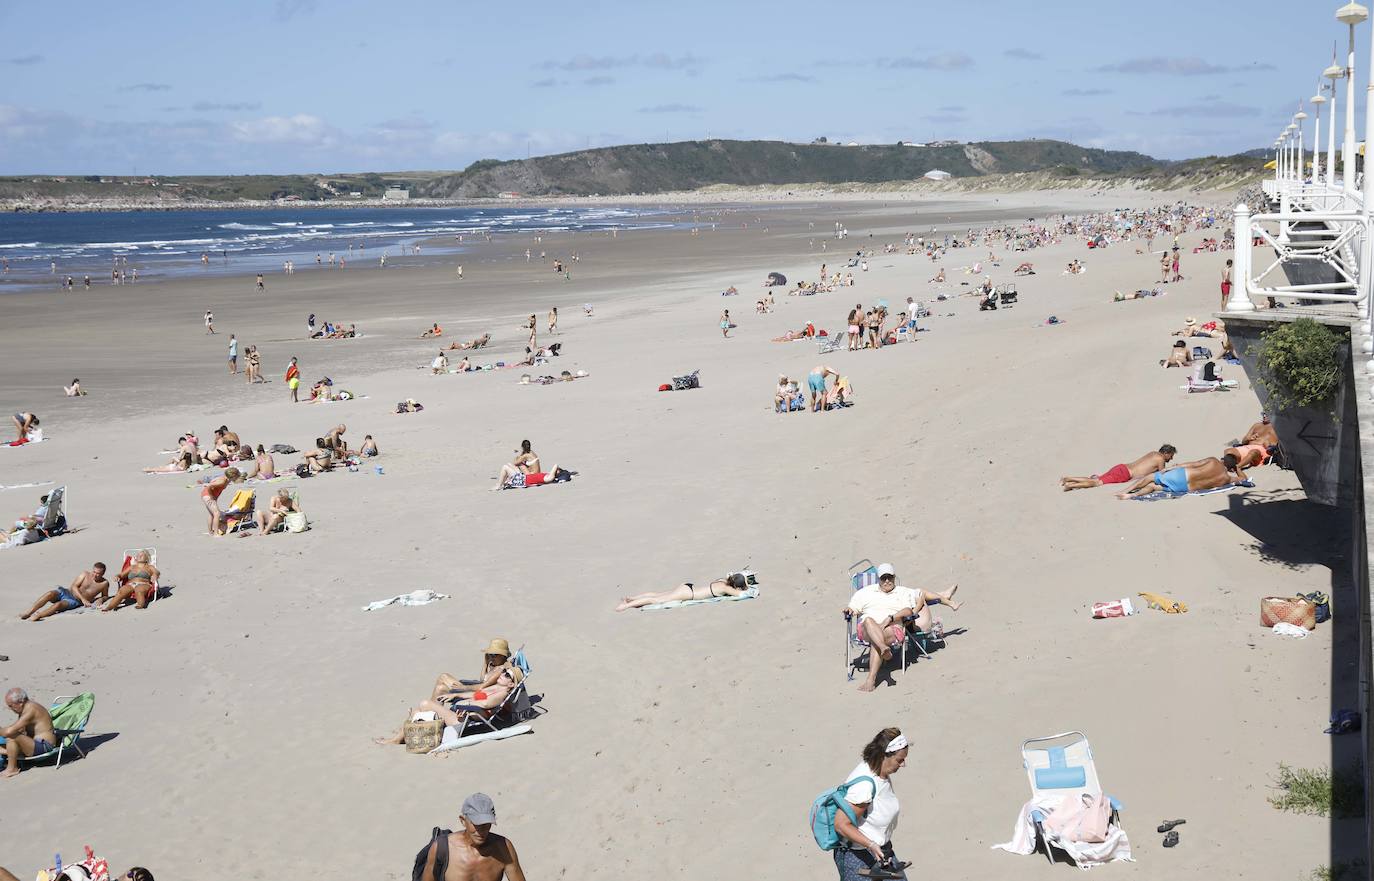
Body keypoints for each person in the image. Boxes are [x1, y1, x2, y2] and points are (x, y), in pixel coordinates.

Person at [844, 563, 959, 692]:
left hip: (891, 629)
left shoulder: (904, 592)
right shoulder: (865, 592)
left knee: (876, 639)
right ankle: (883, 648)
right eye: (883, 578)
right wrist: (848, 610)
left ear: (894, 577)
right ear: (878, 579)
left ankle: (870, 680)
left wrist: (891, 618)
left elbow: (909, 611)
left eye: (890, 577)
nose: (887, 580)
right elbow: (852, 608)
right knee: (869, 621)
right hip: (867, 628)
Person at [832, 728, 910, 881]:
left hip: (882, 854)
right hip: (858, 859)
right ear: (884, 756)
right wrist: (871, 845)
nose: (903, 764)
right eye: (899, 760)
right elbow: (841, 824)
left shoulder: (881, 772)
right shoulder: (864, 786)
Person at [409, 794, 527, 881]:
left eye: (486, 825)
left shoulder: (503, 848)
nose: (481, 831)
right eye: (476, 824)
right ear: (463, 821)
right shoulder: (443, 848)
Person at [1117, 454, 1246, 499]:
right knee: (1154, 487)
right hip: (1185, 487)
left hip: (1183, 475)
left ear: (1222, 460)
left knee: (1150, 477)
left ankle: (1125, 491)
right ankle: (1132, 495)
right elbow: (1243, 479)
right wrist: (1238, 468)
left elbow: (1194, 464)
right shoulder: (1227, 479)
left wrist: (1173, 467)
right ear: (1230, 468)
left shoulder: (1213, 460)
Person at [1061, 444, 1177, 491]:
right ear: (1166, 453)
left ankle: (1068, 479)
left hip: (1121, 467)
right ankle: (1070, 485)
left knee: (1096, 479)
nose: (1171, 459)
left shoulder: (1153, 453)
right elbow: (1162, 474)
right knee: (1096, 483)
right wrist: (1172, 469)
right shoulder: (1160, 459)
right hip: (1124, 474)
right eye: (1171, 456)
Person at [21, 563, 110, 621]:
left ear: (103, 573)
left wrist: (101, 599)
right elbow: (74, 586)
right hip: (67, 592)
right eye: (94, 572)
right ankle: (29, 612)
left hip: (74, 601)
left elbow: (106, 595)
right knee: (50, 594)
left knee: (58, 605)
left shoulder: (104, 583)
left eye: (98, 573)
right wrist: (83, 599)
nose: (95, 575)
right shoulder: (85, 574)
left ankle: (39, 615)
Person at [616, 573, 751, 610]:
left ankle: (631, 598)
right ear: (736, 585)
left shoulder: (723, 581)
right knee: (655, 600)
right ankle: (625, 606)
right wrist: (745, 588)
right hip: (688, 595)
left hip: (688, 587)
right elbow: (741, 594)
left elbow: (733, 578)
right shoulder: (726, 588)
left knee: (658, 594)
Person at [1, 687, 56, 778]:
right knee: (9, 737)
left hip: (45, 746)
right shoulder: (24, 709)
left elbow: (10, 732)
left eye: (11, 706)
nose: (10, 709)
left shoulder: (31, 710)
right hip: (33, 743)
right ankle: (8, 755)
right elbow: (20, 730)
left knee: (11, 736)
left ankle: (12, 769)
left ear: (21, 702)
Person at [200, 468, 245, 535]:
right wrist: (211, 496)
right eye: (236, 476)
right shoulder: (222, 481)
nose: (237, 478)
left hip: (206, 495)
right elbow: (209, 486)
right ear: (233, 476)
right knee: (217, 513)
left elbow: (213, 483)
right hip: (208, 495)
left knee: (212, 514)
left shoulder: (225, 479)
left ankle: (210, 532)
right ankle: (215, 533)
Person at [493, 462, 570, 490]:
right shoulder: (548, 475)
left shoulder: (549, 478)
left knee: (505, 467)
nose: (556, 469)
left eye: (557, 470)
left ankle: (498, 486)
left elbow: (556, 465)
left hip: (521, 480)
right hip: (523, 477)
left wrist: (560, 470)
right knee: (509, 464)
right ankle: (503, 482)